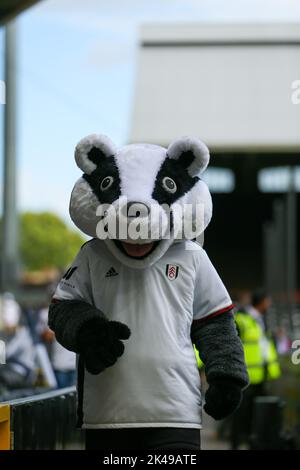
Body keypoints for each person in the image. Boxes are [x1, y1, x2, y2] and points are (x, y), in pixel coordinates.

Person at [49, 134, 248, 450]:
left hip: (176, 413)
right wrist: (87, 330)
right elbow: (62, 308)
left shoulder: (192, 255)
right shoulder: (92, 255)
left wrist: (226, 375)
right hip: (107, 414)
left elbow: (215, 322)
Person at [231, 289, 281, 449]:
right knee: (241, 415)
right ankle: (238, 444)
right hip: (245, 377)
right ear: (261, 301)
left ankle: (252, 443)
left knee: (256, 415)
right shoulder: (242, 320)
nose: (270, 304)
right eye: (268, 300)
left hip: (260, 376)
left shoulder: (260, 320)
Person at [0, 293, 36, 393]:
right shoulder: (13, 335)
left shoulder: (22, 334)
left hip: (22, 374)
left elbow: (6, 353)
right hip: (12, 371)